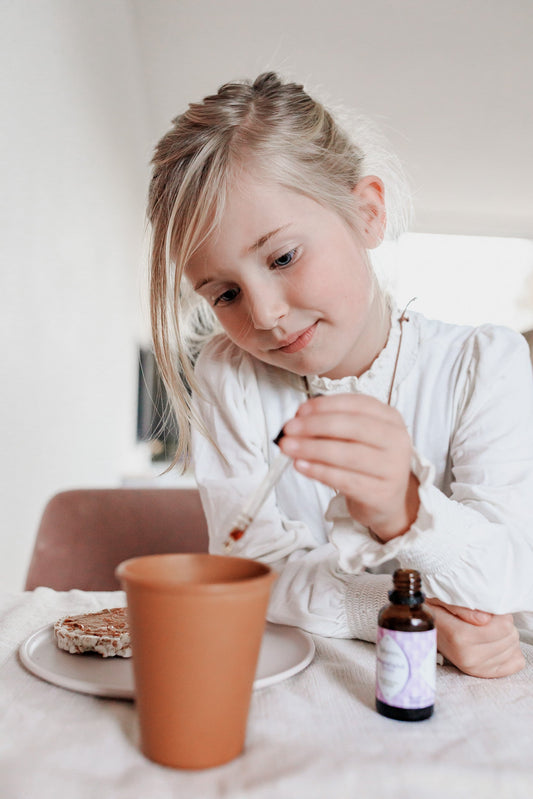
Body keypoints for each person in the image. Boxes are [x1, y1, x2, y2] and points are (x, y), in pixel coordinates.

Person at [147, 72, 533, 678]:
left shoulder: (486, 365)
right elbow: (253, 572)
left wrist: (405, 511)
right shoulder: (231, 375)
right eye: (224, 294)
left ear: (366, 214)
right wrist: (407, 616)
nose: (266, 314)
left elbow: (512, 575)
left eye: (283, 257)